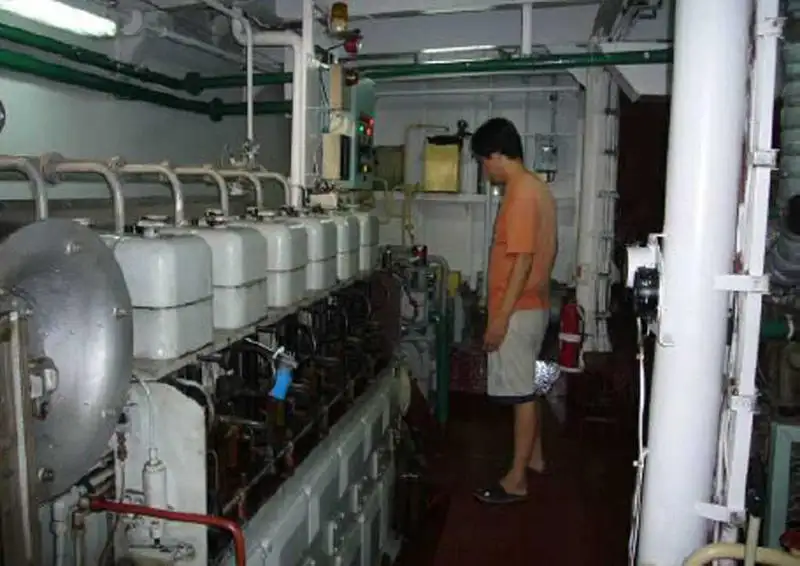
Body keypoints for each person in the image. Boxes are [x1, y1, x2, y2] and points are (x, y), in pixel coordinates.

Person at [470, 117, 557, 505]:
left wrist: (500, 319)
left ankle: (516, 480)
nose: (484, 169)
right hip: (534, 306)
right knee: (526, 388)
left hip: (518, 311)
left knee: (520, 395)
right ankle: (534, 458)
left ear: (496, 155)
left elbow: (522, 260)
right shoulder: (538, 188)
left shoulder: (520, 193)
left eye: (482, 161)